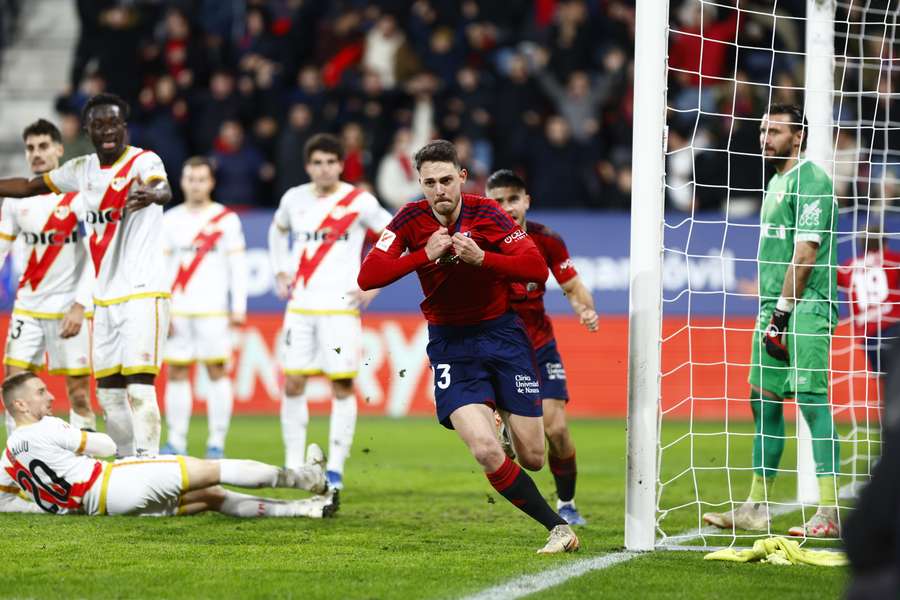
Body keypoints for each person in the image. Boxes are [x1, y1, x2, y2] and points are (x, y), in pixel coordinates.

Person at [358, 140, 579, 554]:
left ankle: (497, 410)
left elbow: (535, 267)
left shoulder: (488, 213)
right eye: (429, 183)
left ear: (462, 177)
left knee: (532, 456)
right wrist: (422, 254)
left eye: (446, 180)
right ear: (419, 184)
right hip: (451, 344)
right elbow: (369, 275)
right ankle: (558, 527)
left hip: (503, 336)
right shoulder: (410, 218)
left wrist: (484, 259)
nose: (439, 190)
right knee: (483, 449)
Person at [0, 93, 173, 458]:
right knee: (109, 394)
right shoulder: (81, 170)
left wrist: (153, 193)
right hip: (105, 298)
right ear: (89, 130)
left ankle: (149, 471)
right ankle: (127, 466)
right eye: (98, 124)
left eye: (114, 123)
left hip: (143, 292)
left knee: (139, 388)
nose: (107, 130)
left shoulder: (144, 160)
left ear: (124, 126)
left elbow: (162, 186)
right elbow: (30, 187)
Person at [703, 103, 841, 538]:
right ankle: (755, 506)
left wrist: (781, 313)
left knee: (812, 403)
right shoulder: (777, 181)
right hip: (773, 309)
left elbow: (806, 254)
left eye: (774, 131)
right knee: (762, 402)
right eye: (762, 130)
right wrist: (770, 309)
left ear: (797, 136)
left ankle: (830, 512)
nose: (764, 138)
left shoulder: (812, 179)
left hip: (806, 308)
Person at [1, 371, 336, 518]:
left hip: (104, 508)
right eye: (41, 392)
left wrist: (40, 506)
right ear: (20, 405)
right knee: (214, 470)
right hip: (114, 480)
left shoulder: (8, 456)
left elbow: (4, 499)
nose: (51, 396)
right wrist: (80, 436)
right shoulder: (46, 428)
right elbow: (104, 446)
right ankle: (306, 479)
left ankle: (306, 510)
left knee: (211, 498)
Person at [268, 133, 392, 490]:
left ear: (341, 164)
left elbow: (393, 238)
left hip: (341, 308)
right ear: (308, 166)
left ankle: (336, 467)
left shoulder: (360, 201)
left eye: (330, 162)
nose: (324, 169)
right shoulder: (294, 199)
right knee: (293, 382)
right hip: (301, 307)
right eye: (317, 163)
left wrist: (374, 283)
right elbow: (277, 233)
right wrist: (279, 269)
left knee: (341, 384)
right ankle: (293, 465)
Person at [485, 169, 598, 526]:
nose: (507, 207)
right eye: (498, 201)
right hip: (498, 349)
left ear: (526, 201)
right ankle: (502, 422)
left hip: (539, 347)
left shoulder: (546, 240)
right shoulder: (478, 240)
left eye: (513, 199)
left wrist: (585, 308)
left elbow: (574, 285)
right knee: (521, 450)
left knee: (557, 429)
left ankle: (567, 503)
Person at [0, 119, 95, 436]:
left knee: (79, 394)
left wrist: (81, 305)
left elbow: (96, 256)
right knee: (14, 391)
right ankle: (19, 466)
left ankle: (83, 472)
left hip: (68, 309)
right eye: (30, 148)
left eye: (43, 146)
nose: (36, 154)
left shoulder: (79, 198)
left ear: (59, 149)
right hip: (27, 308)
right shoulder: (16, 199)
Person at [160, 156, 248, 458]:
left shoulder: (226, 220)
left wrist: (238, 309)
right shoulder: (169, 219)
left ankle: (216, 443)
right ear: (182, 181)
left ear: (211, 182)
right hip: (178, 310)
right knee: (177, 373)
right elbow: (160, 267)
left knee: (216, 372)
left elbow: (238, 267)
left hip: (214, 310)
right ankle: (176, 441)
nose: (196, 185)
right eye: (190, 179)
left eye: (201, 179)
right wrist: (162, 306)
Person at [836, 226, 900, 377]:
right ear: (884, 244)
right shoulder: (893, 259)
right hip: (893, 326)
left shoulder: (848, 266)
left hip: (869, 335)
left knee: (886, 382)